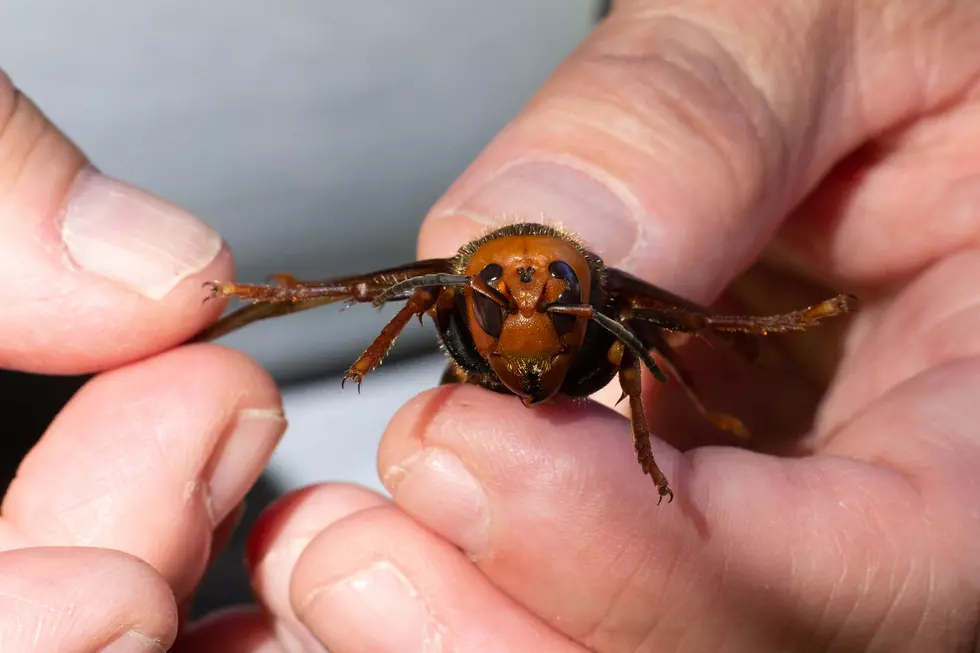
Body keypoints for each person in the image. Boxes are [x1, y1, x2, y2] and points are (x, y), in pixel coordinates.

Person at [2, 1, 979, 650]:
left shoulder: (597, 295)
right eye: (501, 292)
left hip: (426, 476)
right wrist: (265, 299)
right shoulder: (452, 293)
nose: (522, 308)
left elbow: (681, 322)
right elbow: (375, 289)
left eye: (543, 293)